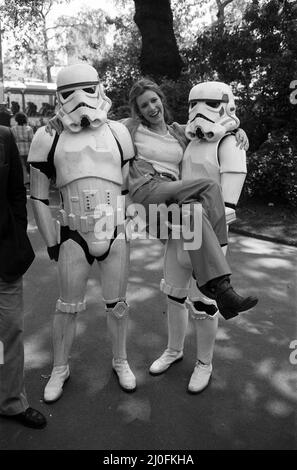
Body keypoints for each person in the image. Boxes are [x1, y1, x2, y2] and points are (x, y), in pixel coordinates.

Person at [28, 63, 136, 403]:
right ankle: (60, 367)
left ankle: (120, 360)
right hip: (73, 233)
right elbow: (38, 195)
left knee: (118, 305)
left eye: (88, 89)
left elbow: (128, 184)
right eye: (70, 92)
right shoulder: (48, 135)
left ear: (100, 88)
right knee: (66, 306)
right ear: (58, 96)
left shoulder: (119, 132)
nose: (80, 100)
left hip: (114, 230)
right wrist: (51, 242)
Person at [124, 78, 258, 321]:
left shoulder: (177, 130)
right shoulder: (131, 127)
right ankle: (220, 270)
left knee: (194, 211)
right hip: (148, 187)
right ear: (138, 111)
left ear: (161, 101)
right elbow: (100, 125)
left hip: (172, 194)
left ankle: (221, 293)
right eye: (144, 105)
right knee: (209, 187)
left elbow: (212, 126)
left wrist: (238, 130)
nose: (151, 108)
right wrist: (59, 121)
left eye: (154, 101)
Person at [150, 81, 253, 393]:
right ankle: (174, 349)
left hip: (206, 235)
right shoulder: (188, 139)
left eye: (207, 104)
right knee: (173, 296)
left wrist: (235, 129)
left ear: (225, 104)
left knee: (204, 304)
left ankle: (204, 362)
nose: (198, 112)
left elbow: (229, 206)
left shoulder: (230, 144)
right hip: (178, 230)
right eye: (193, 104)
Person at [0, 125, 47, 429]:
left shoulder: (3, 138)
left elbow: (18, 193)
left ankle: (10, 402)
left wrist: (16, 232)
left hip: (3, 256)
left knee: (9, 331)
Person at [11, 112, 34, 185]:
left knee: (22, 166)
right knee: (29, 166)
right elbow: (32, 139)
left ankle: (25, 180)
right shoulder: (29, 128)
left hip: (18, 149)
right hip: (28, 149)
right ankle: (32, 179)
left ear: (16, 120)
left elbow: (13, 140)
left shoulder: (13, 129)